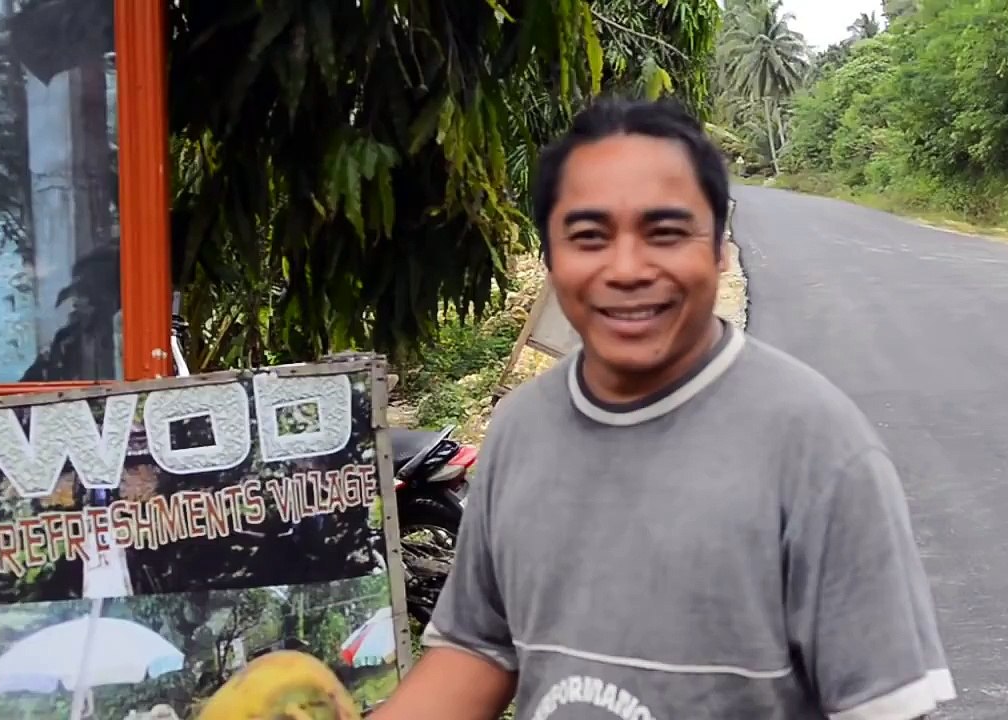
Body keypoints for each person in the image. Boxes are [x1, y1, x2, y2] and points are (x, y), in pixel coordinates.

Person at [375, 96, 955, 720]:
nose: (627, 269)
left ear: (720, 250)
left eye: (666, 232)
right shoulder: (521, 431)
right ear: (550, 257)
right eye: (590, 236)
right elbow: (479, 651)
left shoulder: (818, 450)